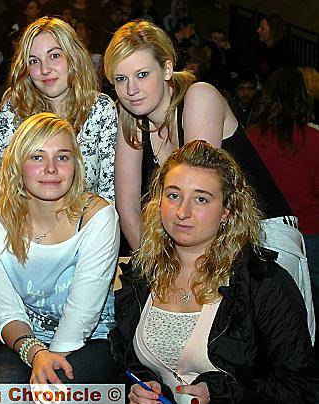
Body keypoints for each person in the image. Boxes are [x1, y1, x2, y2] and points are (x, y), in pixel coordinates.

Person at [103, 22, 316, 340]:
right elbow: (128, 206)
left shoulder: (198, 97)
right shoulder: (131, 121)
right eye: (121, 79)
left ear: (167, 68)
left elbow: (200, 197)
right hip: (201, 248)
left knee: (266, 364)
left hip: (262, 239)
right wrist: (157, 270)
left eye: (142, 74)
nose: (131, 89)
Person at [110, 140, 317, 404]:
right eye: (173, 195)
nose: (183, 212)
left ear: (226, 212)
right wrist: (141, 388)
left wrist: (221, 393)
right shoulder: (141, 276)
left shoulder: (263, 283)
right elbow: (129, 365)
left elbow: (299, 388)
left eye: (201, 199)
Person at [0, 113, 119, 384]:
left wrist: (48, 365)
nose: (51, 168)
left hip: (94, 340)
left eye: (62, 157)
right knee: (5, 392)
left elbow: (83, 315)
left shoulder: (98, 217)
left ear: (75, 165)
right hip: (28, 344)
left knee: (55, 394)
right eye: (37, 157)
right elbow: (8, 314)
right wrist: (37, 355)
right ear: (18, 165)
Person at [0, 16, 117, 202]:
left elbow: (109, 191)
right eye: (34, 61)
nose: (45, 69)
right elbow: (10, 191)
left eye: (54, 56)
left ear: (73, 57)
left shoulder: (101, 109)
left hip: (90, 225)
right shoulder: (13, 111)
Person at [247, 67, 319, 342]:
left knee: (271, 314)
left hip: (267, 234)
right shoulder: (314, 140)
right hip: (310, 234)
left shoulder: (251, 139)